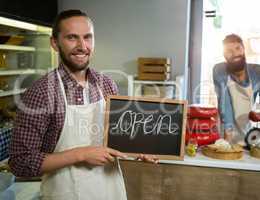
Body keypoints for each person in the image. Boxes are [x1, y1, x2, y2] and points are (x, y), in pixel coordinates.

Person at [9, 9, 157, 200]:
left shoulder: (106, 84)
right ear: (55, 43)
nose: (82, 45)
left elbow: (116, 139)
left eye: (87, 37)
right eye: (72, 37)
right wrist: (80, 154)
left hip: (110, 192)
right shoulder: (41, 92)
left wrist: (136, 148)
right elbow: (21, 162)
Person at [213, 34, 260, 145]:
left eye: (238, 48)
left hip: (248, 132)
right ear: (224, 55)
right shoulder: (219, 71)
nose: (234, 54)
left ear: (244, 49)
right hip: (224, 132)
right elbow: (225, 105)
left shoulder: (259, 72)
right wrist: (227, 141)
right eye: (229, 51)